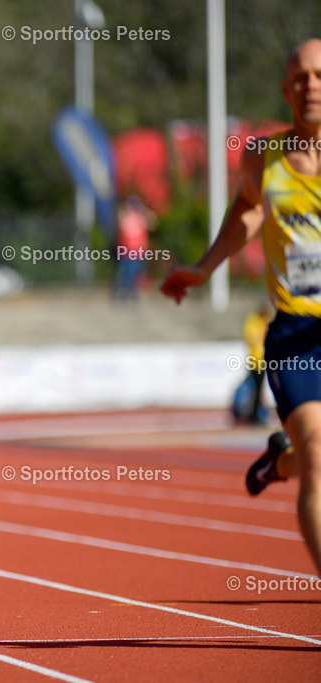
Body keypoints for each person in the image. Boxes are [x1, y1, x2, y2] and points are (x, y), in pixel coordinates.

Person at [161, 39, 321, 576]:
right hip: (299, 335)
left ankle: (280, 462)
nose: (311, 86)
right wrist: (205, 268)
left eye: (320, 75)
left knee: (311, 458)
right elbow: (250, 208)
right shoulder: (265, 155)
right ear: (285, 89)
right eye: (299, 77)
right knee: (320, 457)